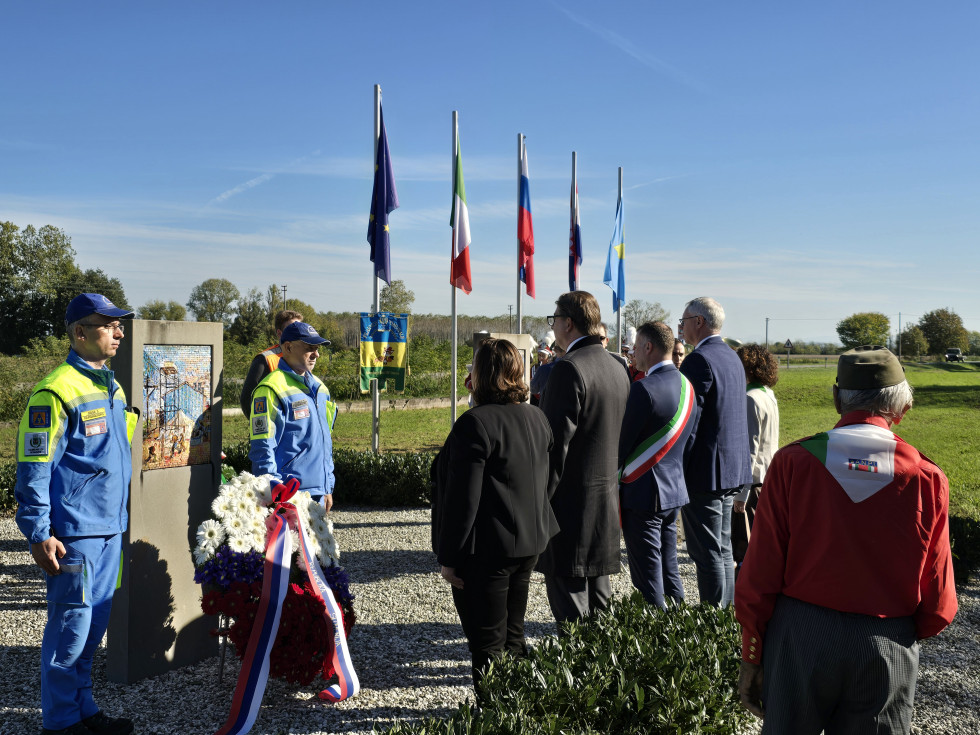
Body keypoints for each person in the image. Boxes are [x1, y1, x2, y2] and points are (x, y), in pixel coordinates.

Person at [735, 346, 958, 733]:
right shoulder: (927, 477)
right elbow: (939, 600)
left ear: (838, 398)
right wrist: (894, 636)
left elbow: (760, 571)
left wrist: (753, 651)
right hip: (885, 639)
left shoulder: (794, 462)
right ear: (902, 406)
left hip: (800, 636)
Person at [15, 293, 138, 735]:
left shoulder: (111, 386)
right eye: (108, 325)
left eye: (119, 324)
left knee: (93, 627)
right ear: (80, 332)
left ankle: (83, 709)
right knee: (70, 629)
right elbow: (34, 467)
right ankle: (61, 722)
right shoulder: (55, 391)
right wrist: (38, 531)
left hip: (108, 530)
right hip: (75, 534)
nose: (119, 332)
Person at [431, 338, 558, 702]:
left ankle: (496, 714)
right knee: (513, 635)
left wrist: (449, 557)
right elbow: (546, 480)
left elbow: (462, 500)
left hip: (487, 551)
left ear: (480, 375)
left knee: (486, 642)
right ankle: (522, 707)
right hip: (528, 542)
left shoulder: (475, 424)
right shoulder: (536, 416)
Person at [537, 291, 630, 626]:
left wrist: (539, 504)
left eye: (554, 319)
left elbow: (554, 446)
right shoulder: (617, 366)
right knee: (601, 611)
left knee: (573, 616)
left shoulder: (569, 369)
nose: (554, 325)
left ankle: (581, 680)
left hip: (569, 511)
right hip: (605, 506)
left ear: (568, 323)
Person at [618, 321, 700, 607]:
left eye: (637, 346)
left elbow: (621, 444)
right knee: (669, 569)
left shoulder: (643, 389)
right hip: (674, 489)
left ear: (649, 347)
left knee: (647, 578)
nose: (633, 352)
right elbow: (689, 442)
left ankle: (657, 639)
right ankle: (678, 626)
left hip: (643, 493)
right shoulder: (687, 385)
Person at [677, 296, 751, 606]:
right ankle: (725, 617)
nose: (680, 328)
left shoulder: (699, 360)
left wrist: (677, 467)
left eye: (683, 321)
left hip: (705, 473)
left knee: (708, 552)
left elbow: (690, 421)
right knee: (721, 549)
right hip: (730, 468)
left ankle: (713, 620)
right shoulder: (732, 356)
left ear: (699, 322)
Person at [249, 321, 337, 511]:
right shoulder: (270, 388)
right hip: (288, 496)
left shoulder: (321, 389)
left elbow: (325, 442)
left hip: (319, 493)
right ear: (288, 347)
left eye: (317, 348)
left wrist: (327, 487)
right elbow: (262, 446)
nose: (317, 354)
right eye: (309, 348)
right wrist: (271, 492)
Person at [731, 345, 780, 571]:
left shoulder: (750, 398)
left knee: (745, 548)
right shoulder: (768, 394)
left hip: (752, 482)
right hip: (767, 478)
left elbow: (749, 449)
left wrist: (741, 493)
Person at [240, 309, 304, 416]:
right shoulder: (265, 358)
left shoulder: (304, 357)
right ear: (280, 334)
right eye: (292, 329)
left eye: (300, 329)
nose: (298, 333)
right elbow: (247, 400)